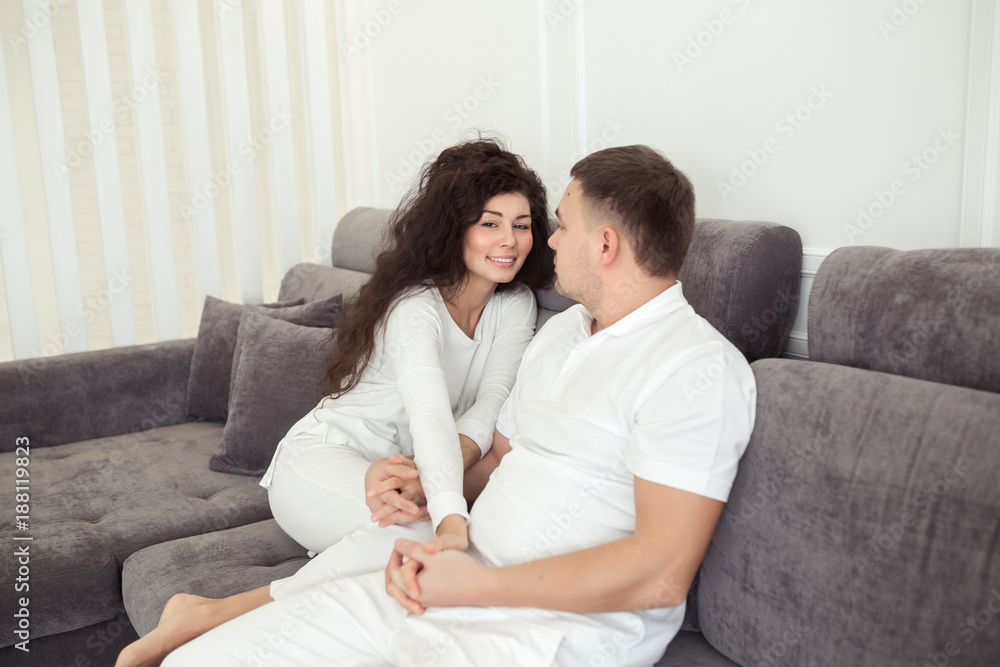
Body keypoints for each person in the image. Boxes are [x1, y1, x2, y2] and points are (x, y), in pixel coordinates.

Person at [139, 144, 757, 667]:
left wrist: (478, 580)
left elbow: (661, 574)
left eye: (559, 225)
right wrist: (428, 501)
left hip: (543, 632)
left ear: (604, 244)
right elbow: (502, 452)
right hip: (451, 578)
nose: (546, 240)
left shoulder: (695, 369)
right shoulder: (564, 333)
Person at [115, 138, 554, 667]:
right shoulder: (415, 307)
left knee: (412, 528)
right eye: (490, 223)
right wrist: (448, 519)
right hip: (320, 460)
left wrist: (426, 477)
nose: (510, 240)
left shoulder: (516, 304)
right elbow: (431, 415)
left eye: (522, 224)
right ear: (453, 226)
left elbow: (490, 406)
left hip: (404, 474)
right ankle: (206, 617)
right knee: (419, 529)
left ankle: (206, 612)